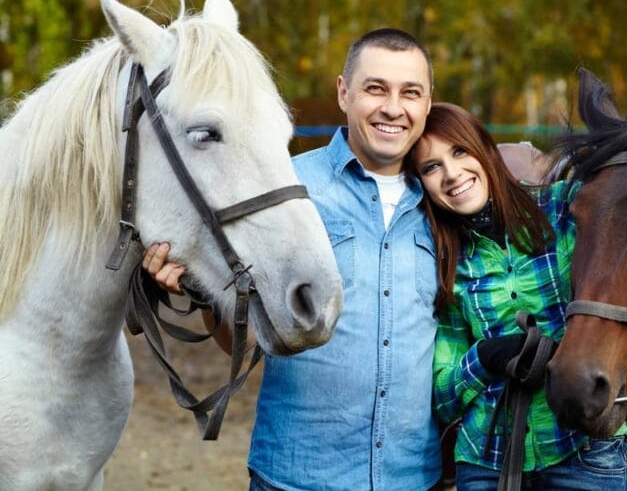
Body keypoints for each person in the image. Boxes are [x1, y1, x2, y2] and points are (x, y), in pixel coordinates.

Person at [144, 28, 442, 490]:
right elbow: (243, 345)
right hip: (298, 477)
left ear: (427, 103)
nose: (392, 108)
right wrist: (203, 294)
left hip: (413, 477)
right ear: (343, 93)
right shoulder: (287, 192)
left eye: (411, 93)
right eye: (375, 88)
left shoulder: (443, 205)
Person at [403, 102, 627, 490]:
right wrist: (485, 358)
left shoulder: (566, 211)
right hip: (486, 458)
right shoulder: (446, 260)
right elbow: (443, 395)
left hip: (577, 453)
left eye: (460, 152)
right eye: (431, 167)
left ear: (486, 151)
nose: (452, 174)